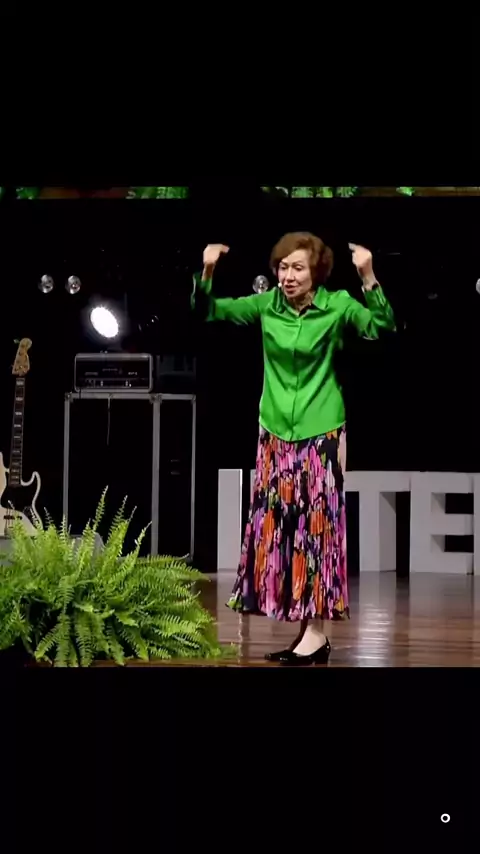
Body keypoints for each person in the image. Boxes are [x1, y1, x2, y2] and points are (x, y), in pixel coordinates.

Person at [192, 232, 396, 665]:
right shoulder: (268, 306)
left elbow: (381, 326)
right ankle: (308, 634)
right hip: (274, 435)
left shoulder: (337, 305)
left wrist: (368, 276)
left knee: (317, 533)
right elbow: (208, 310)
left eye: (297, 268)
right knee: (282, 531)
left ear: (315, 273)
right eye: (282, 268)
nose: (287, 276)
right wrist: (207, 270)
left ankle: (317, 633)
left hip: (321, 432)